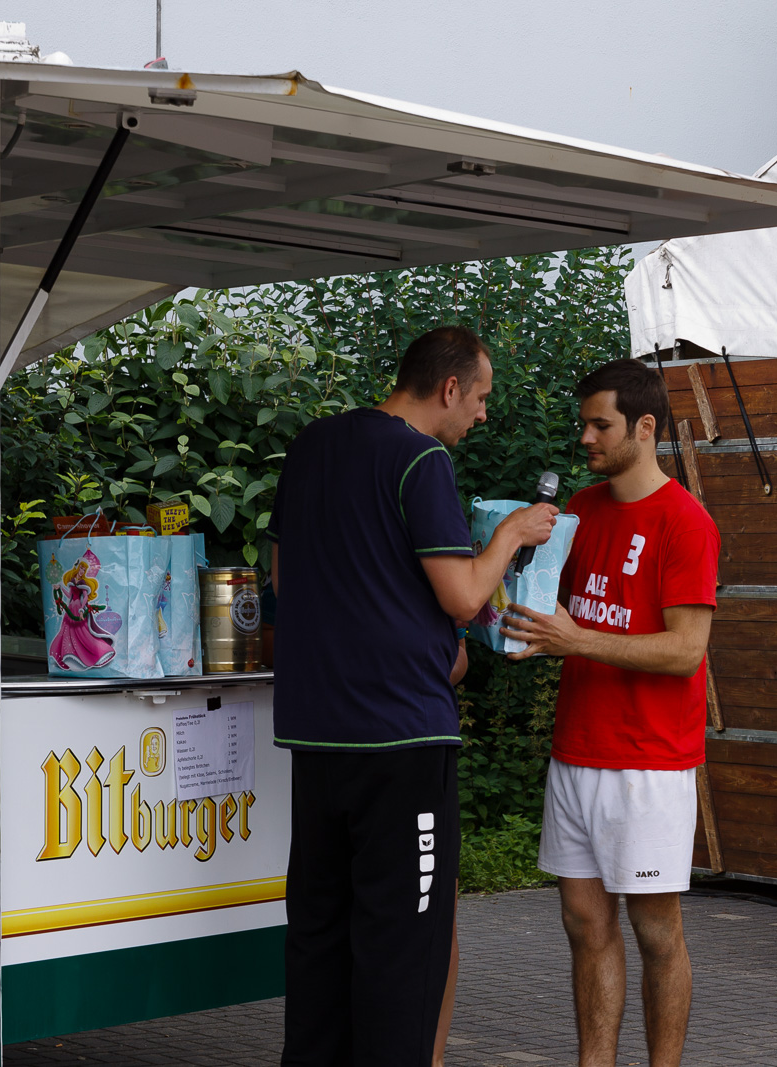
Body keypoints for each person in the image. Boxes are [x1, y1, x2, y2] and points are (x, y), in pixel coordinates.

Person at [267, 325, 557, 1067]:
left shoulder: (312, 447)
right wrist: (513, 536)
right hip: (400, 742)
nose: (483, 416)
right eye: (482, 399)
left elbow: (281, 576)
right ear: (448, 388)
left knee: (320, 939)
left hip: (317, 735)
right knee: (405, 945)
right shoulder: (420, 457)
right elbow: (462, 596)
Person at [500, 357, 720, 1067]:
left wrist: (576, 638)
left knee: (657, 932)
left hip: (649, 761)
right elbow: (548, 613)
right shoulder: (580, 513)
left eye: (601, 424)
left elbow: (687, 651)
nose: (586, 438)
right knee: (584, 925)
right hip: (576, 752)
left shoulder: (686, 521)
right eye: (583, 423)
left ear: (645, 426)